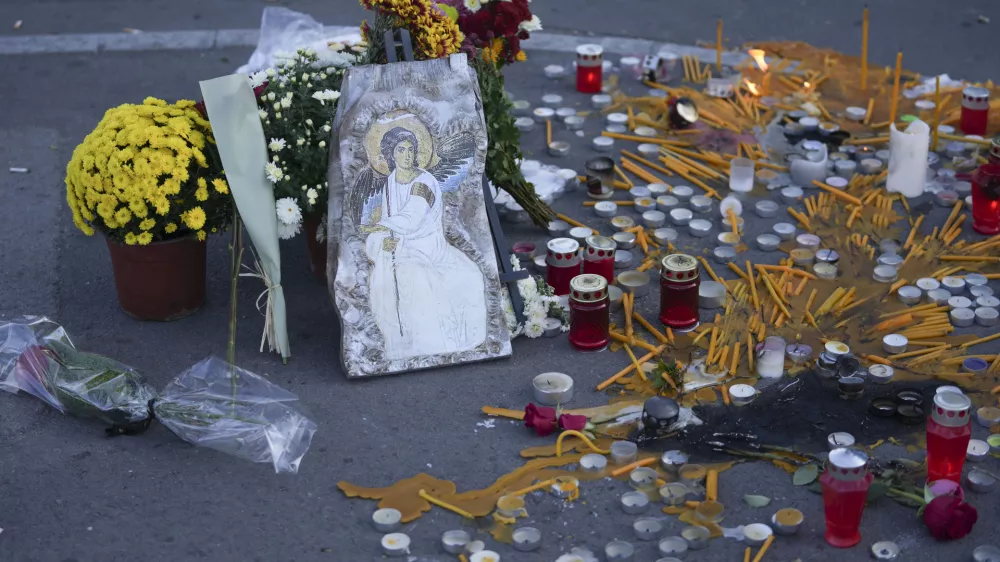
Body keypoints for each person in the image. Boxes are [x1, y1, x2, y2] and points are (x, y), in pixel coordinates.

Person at [360, 127, 488, 360]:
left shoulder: (424, 181)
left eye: (411, 149)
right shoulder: (390, 182)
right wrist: (386, 237)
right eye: (401, 150)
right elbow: (395, 222)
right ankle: (401, 344)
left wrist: (377, 226)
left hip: (430, 249)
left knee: (455, 277)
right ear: (391, 154)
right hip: (404, 247)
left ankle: (435, 345)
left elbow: (412, 218)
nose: (407, 155)